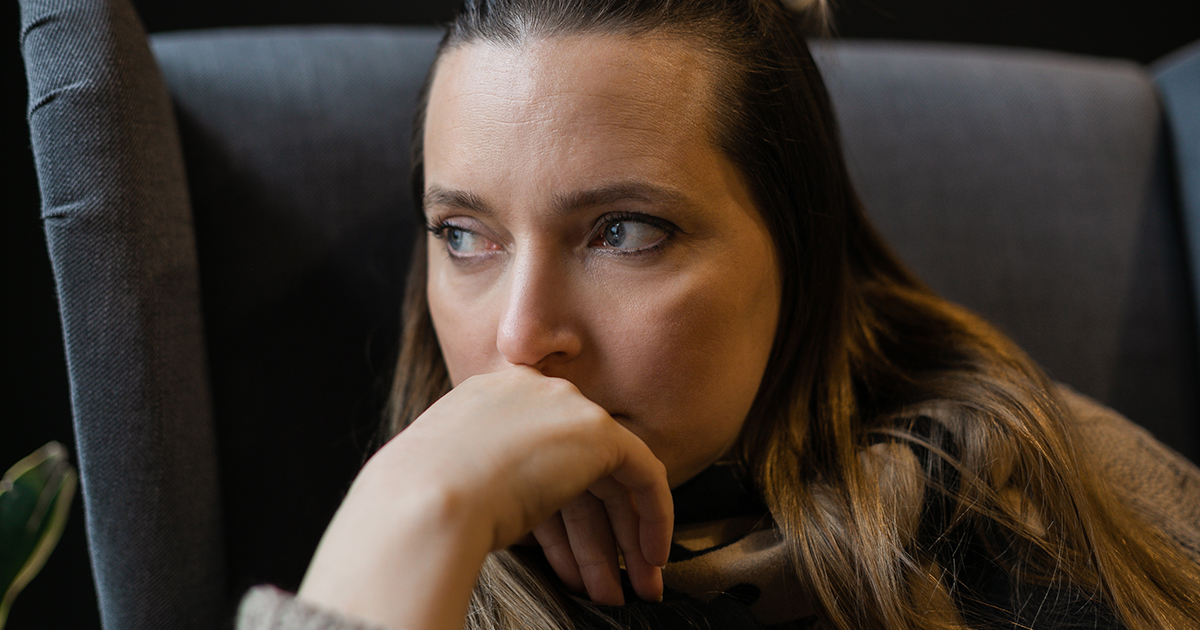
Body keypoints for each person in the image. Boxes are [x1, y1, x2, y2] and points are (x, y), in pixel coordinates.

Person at [236, 0, 1200, 628]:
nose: (520, 339)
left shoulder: (1052, 496)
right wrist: (413, 514)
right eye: (463, 235)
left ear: (796, 248)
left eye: (623, 233)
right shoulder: (392, 558)